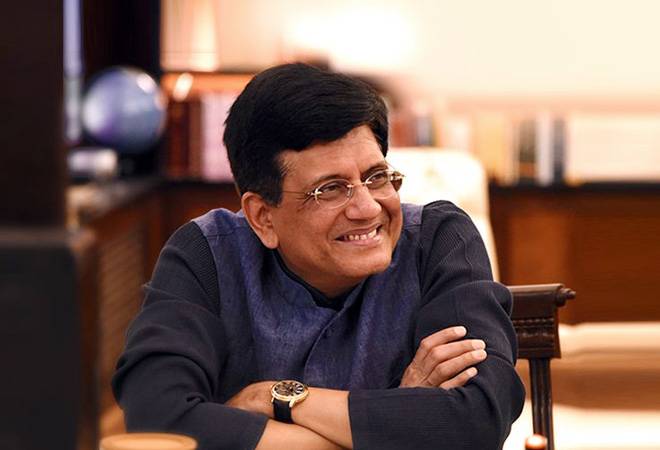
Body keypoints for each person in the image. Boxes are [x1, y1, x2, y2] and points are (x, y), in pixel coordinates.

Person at [113, 63, 524, 450]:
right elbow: (156, 418)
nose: (367, 208)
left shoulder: (439, 241)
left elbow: (481, 416)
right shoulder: (207, 254)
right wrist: (396, 421)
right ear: (263, 217)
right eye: (330, 189)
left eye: (376, 177)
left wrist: (276, 398)